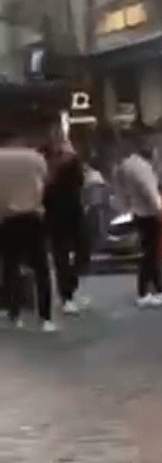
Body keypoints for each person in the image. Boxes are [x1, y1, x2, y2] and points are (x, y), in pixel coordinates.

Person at [0, 130, 55, 331]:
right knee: (41, 269)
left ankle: (14, 313)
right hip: (32, 217)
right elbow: (47, 184)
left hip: (7, 220)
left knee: (10, 267)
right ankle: (45, 318)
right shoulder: (35, 157)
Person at [118, 134, 162, 308]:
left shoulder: (127, 165)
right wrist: (160, 211)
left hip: (139, 212)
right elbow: (150, 191)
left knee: (152, 252)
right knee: (151, 254)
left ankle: (158, 287)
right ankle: (144, 292)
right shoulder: (142, 168)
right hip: (149, 214)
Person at [43, 131, 90, 316]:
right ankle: (67, 295)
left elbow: (80, 179)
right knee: (62, 256)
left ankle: (71, 287)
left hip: (73, 211)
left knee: (82, 250)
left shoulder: (72, 168)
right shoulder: (51, 170)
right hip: (57, 214)